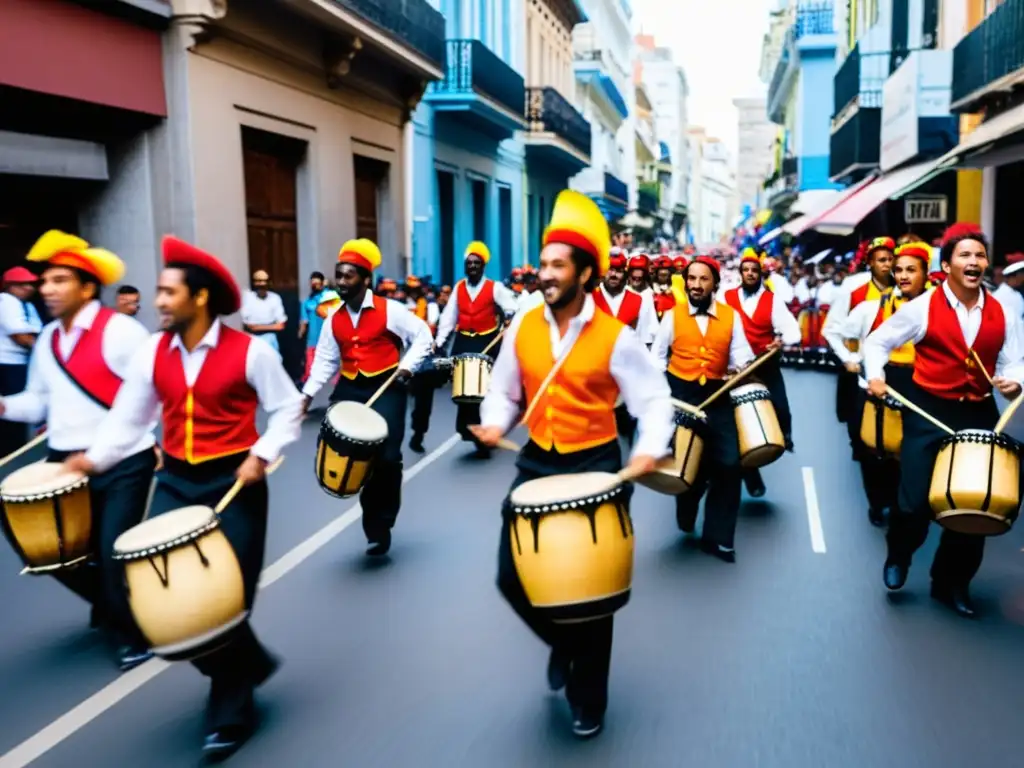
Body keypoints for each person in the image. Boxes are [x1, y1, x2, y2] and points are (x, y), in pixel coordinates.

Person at [65, 236, 303, 758]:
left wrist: (261, 453)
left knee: (224, 602)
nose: (158, 302)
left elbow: (288, 408)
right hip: (175, 481)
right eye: (158, 292)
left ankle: (231, 710)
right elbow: (130, 418)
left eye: (168, 292)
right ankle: (250, 663)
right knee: (159, 599)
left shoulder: (251, 352)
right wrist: (92, 460)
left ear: (199, 298)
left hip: (234, 484)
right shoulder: (154, 351)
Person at [472, 190, 672, 739]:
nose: (546, 273)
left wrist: (649, 446)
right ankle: (561, 643)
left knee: (593, 596)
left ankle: (589, 699)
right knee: (511, 577)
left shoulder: (616, 337)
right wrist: (495, 422)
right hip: (537, 459)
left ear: (585, 272)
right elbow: (505, 391)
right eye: (544, 263)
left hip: (598, 461)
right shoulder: (522, 327)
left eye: (558, 264)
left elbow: (652, 401)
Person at [0, 231, 155, 670]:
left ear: (87, 287)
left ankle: (133, 634)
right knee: (47, 551)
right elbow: (38, 401)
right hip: (66, 460)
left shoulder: (123, 332)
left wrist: (99, 455)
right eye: (45, 281)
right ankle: (110, 601)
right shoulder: (48, 340)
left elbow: (145, 402)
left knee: (110, 551)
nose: (46, 289)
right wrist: (5, 405)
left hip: (124, 459)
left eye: (59, 280)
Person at [864, 224, 1024, 618]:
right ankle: (899, 554)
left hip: (979, 413)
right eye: (965, 256)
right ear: (948, 264)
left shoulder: (1004, 311)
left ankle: (952, 582)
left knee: (976, 506)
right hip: (929, 410)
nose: (974, 262)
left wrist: (1013, 380)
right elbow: (876, 342)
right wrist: (876, 375)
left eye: (979, 256)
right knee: (914, 502)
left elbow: (1015, 360)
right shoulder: (922, 307)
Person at [302, 239, 431, 555]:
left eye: (348, 276)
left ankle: (383, 522)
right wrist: (306, 396)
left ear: (365, 279)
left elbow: (423, 336)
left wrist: (407, 368)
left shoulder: (391, 311)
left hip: (387, 387)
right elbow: (325, 361)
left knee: (387, 459)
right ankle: (372, 526)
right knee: (356, 457)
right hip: (350, 389)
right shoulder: (334, 318)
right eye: (339, 276)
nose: (341, 282)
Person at [652, 255, 755, 562]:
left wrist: (742, 368)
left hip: (717, 395)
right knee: (685, 465)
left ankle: (719, 538)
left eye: (703, 279)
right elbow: (657, 358)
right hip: (680, 394)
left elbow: (742, 356)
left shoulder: (731, 316)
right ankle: (686, 504)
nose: (696, 285)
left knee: (728, 464)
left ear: (715, 284)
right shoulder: (672, 316)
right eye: (691, 279)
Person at [841, 241, 931, 526]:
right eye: (899, 270)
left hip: (923, 383)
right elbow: (849, 335)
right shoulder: (876, 305)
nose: (903, 276)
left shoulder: (938, 304)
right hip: (884, 379)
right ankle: (878, 503)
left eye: (911, 270)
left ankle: (905, 504)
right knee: (874, 447)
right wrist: (855, 360)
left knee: (912, 450)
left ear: (926, 273)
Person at [721, 249, 801, 498]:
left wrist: (779, 341)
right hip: (735, 367)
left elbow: (794, 332)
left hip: (764, 363)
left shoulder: (772, 299)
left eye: (754, 271)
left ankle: (783, 437)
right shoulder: (726, 297)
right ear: (740, 273)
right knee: (735, 423)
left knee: (781, 406)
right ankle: (750, 475)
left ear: (761, 273)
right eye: (746, 270)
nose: (750, 274)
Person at [433, 242, 519, 455]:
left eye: (476, 263)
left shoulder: (495, 287)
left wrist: (509, 318)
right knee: (465, 389)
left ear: (483, 266)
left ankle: (486, 430)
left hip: (487, 342)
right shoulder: (459, 288)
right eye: (469, 263)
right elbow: (448, 318)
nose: (472, 267)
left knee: (485, 389)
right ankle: (468, 427)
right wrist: (440, 341)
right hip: (464, 342)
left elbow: (513, 307)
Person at [822, 238, 894, 430]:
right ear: (870, 262)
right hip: (861, 372)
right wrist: (848, 359)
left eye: (890, 259)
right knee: (859, 428)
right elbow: (831, 329)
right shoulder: (853, 289)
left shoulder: (902, 289)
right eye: (881, 260)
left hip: (894, 372)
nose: (887, 264)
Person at [0, 265, 42, 456]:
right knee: (11, 417)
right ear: (10, 286)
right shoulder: (7, 301)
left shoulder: (27, 305)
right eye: (23, 284)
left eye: (30, 284)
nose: (30, 288)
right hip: (7, 365)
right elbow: (21, 336)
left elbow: (33, 333)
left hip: (19, 363)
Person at [240, 269, 287, 355]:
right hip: (252, 341)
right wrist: (271, 326)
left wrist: (257, 327)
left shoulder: (275, 298)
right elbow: (248, 325)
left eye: (265, 282)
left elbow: (281, 325)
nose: (262, 286)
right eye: (259, 283)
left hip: (270, 340)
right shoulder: (248, 297)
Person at [299, 270, 328, 382]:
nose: (315, 286)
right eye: (313, 284)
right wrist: (300, 333)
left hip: (328, 341)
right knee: (310, 373)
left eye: (317, 283)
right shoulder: (306, 302)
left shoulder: (331, 298)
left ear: (322, 283)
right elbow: (304, 321)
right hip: (312, 341)